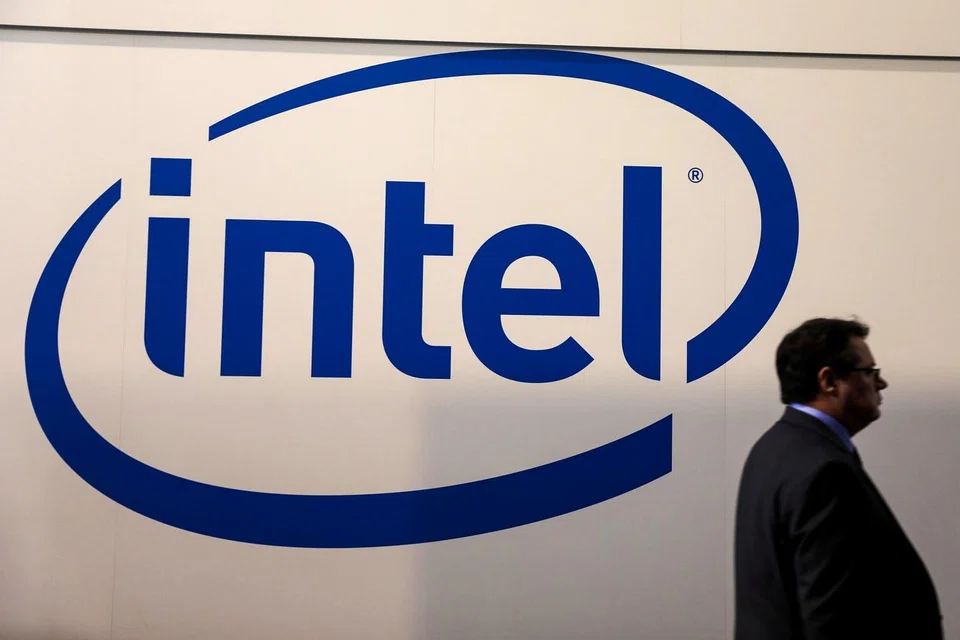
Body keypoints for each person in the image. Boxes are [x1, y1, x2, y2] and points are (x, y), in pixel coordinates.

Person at [733, 317, 943, 639]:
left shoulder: (771, 449)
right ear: (829, 381)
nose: (882, 383)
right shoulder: (825, 472)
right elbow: (831, 618)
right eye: (870, 372)